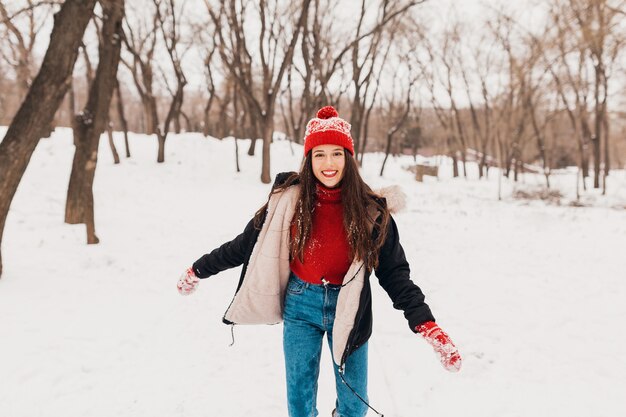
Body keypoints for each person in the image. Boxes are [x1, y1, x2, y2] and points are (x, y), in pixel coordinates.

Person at [177, 106, 461, 417]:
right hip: (301, 306)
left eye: (337, 154)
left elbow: (395, 275)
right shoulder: (288, 202)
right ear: (309, 159)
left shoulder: (371, 213)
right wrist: (198, 268)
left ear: (348, 158)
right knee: (299, 405)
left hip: (350, 310)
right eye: (319, 154)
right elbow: (244, 246)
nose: (328, 163)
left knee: (354, 407)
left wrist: (427, 325)